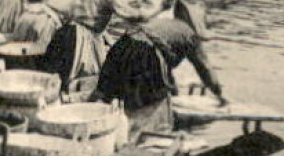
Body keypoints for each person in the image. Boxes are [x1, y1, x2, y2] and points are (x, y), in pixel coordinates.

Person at [90, 10, 225, 142]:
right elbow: (204, 67)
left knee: (107, 95)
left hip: (121, 47)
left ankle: (95, 133)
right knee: (150, 105)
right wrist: (218, 92)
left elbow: (165, 69)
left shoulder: (166, 24)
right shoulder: (190, 35)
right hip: (145, 52)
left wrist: (173, 91)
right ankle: (143, 143)